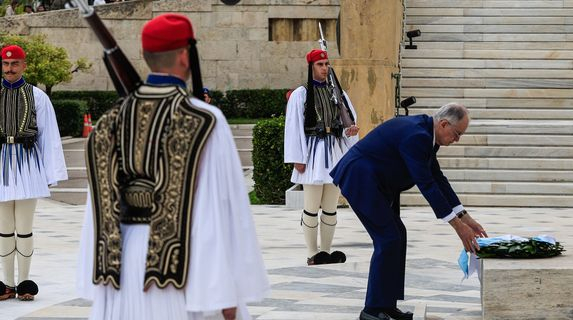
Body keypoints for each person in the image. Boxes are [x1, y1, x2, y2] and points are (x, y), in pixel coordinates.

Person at [77, 13, 270, 320]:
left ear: (145, 56)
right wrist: (228, 293)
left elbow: (98, 211)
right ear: (184, 55)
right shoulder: (203, 119)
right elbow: (221, 210)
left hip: (120, 270)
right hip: (181, 269)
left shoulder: (109, 121)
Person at [330, 103, 488, 320]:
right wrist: (457, 227)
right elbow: (426, 184)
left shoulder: (427, 133)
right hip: (361, 179)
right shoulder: (418, 136)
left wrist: (466, 217)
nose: (457, 139)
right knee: (388, 238)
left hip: (376, 183)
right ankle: (372, 310)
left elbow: (438, 178)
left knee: (397, 235)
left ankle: (387, 305)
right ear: (443, 124)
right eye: (457, 134)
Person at [0, 45, 68, 301]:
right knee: (4, 228)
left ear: (24, 65)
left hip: (27, 165)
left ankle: (25, 281)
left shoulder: (38, 96)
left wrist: (51, 172)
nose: (9, 69)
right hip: (1, 163)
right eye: (6, 64)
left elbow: (48, 136)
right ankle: (6, 282)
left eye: (15, 64)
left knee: (24, 227)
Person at [284, 49, 359, 265]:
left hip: (334, 152)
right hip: (313, 154)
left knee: (330, 206)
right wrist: (297, 157)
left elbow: (346, 122)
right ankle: (311, 252)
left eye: (326, 64)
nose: (325, 68)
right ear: (311, 67)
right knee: (311, 205)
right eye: (320, 64)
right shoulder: (302, 93)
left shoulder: (338, 93)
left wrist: (349, 132)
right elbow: (294, 127)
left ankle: (326, 251)